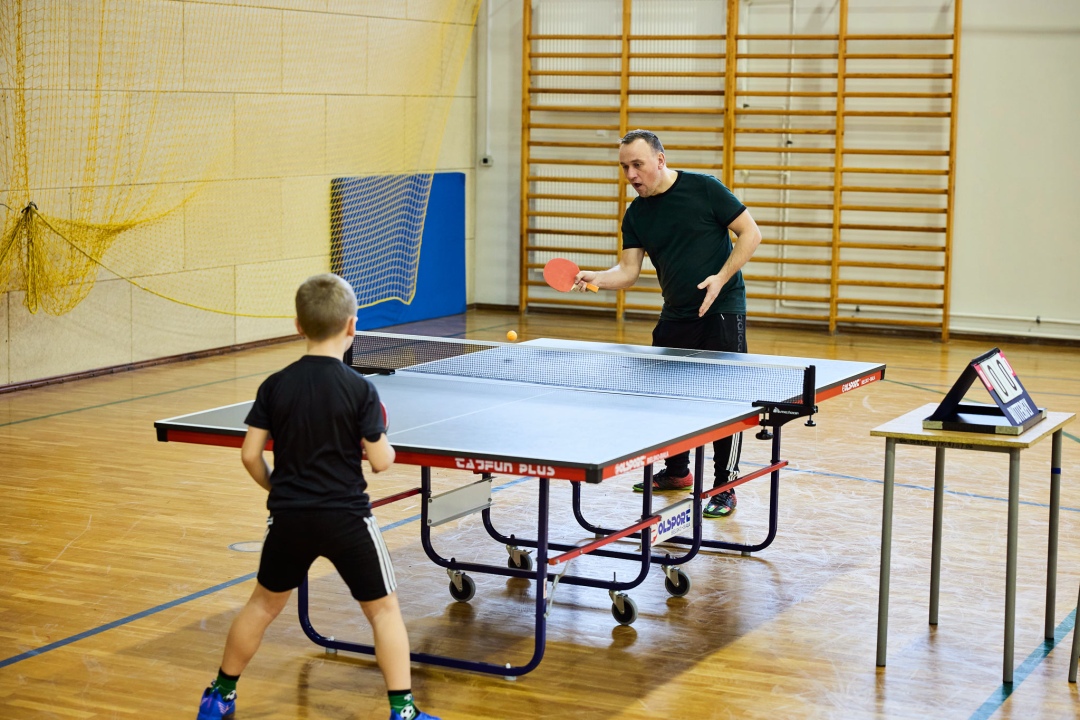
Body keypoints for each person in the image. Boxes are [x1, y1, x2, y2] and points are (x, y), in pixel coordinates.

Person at [195, 273, 438, 720]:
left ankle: (219, 697)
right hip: (346, 519)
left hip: (290, 517)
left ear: (297, 326)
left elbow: (250, 456)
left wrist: (280, 489)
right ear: (351, 326)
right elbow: (381, 461)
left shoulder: (275, 385)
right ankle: (403, 711)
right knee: (384, 612)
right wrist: (386, 440)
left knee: (263, 605)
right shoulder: (360, 388)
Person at [573, 129, 762, 519]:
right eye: (624, 167)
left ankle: (725, 487)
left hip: (722, 310)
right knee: (665, 397)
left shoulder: (705, 189)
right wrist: (596, 277)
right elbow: (627, 272)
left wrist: (721, 277)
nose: (631, 174)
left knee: (725, 402)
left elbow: (750, 233)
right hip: (675, 314)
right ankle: (677, 473)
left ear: (660, 160)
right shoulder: (637, 214)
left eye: (637, 164)